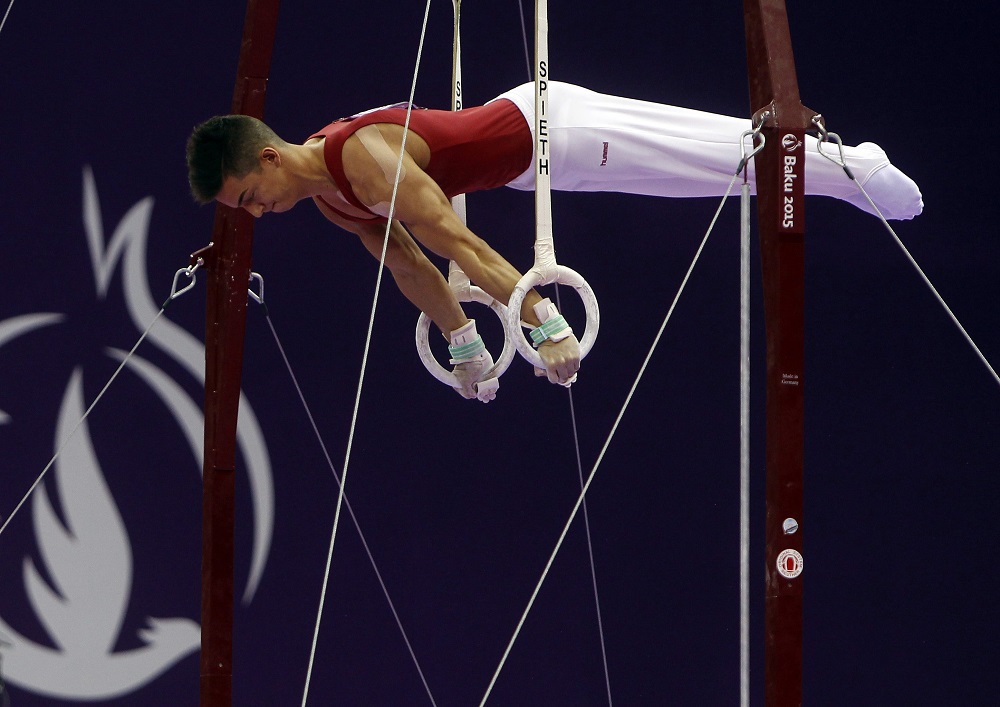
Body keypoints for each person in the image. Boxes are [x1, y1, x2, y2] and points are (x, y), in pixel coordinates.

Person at [186, 81, 923, 401]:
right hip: (541, 170)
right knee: (729, 180)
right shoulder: (330, 200)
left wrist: (540, 319)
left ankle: (852, 163)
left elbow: (456, 242)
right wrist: (465, 348)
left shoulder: (361, 154)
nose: (254, 214)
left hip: (550, 128)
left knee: (716, 155)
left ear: (270, 157)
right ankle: (844, 172)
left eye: (248, 196)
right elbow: (411, 267)